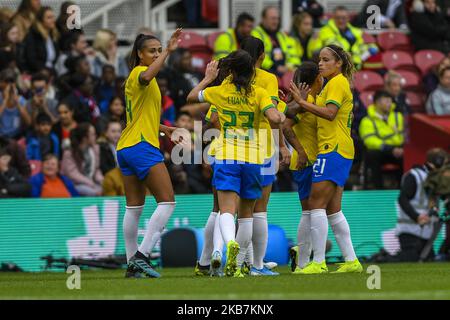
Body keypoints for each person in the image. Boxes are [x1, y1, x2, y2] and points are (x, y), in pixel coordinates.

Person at [187, 51, 284, 277]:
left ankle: (229, 242)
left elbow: (191, 97)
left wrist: (208, 79)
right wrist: (279, 114)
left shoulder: (219, 91)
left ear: (229, 71)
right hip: (253, 159)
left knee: (226, 210)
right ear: (251, 72)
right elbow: (274, 117)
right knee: (247, 214)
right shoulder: (260, 93)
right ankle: (239, 265)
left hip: (227, 155)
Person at [289, 44, 362, 274]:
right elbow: (295, 114)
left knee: (315, 205)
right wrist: (300, 102)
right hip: (338, 149)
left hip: (333, 148)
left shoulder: (338, 83)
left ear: (338, 63)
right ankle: (351, 261)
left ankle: (318, 262)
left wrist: (302, 103)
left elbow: (330, 114)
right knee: (333, 210)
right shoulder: (332, 85)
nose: (320, 63)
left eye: (326, 59)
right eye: (320, 59)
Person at [117, 30, 183, 279]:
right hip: (142, 146)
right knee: (167, 202)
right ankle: (141, 257)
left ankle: (131, 263)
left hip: (126, 147)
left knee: (134, 208)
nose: (156, 54)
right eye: (152, 51)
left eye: (158, 50)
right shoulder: (139, 74)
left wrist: (164, 128)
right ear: (139, 54)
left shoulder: (140, 78)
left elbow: (140, 117)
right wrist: (168, 50)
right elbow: (145, 76)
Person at [283, 62, 322, 271]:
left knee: (313, 211)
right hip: (306, 162)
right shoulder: (305, 102)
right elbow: (286, 125)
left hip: (314, 161)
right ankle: (304, 261)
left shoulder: (312, 100)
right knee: (310, 211)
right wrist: (301, 151)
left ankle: (303, 253)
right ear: (317, 78)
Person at [395, 148, 449, 261]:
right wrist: (417, 217)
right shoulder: (414, 176)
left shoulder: (437, 180)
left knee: (430, 262)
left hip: (426, 233)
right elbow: (402, 199)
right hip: (410, 231)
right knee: (410, 260)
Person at [359, 90, 405, 189]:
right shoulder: (367, 120)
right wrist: (389, 148)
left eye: (390, 101)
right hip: (382, 150)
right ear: (377, 103)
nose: (390, 104)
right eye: (387, 101)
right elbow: (369, 140)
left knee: (408, 155)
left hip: (399, 148)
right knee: (372, 154)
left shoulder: (398, 117)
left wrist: (402, 148)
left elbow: (406, 135)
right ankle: (378, 188)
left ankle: (404, 188)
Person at [251, 6, 301, 76]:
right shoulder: (256, 34)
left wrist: (292, 67)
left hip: (285, 73)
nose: (276, 21)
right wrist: (275, 67)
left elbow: (292, 55)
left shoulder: (281, 35)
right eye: (273, 18)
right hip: (265, 72)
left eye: (277, 19)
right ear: (263, 19)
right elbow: (257, 57)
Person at [60, 122, 103, 196]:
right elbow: (73, 174)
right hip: (74, 184)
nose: (95, 136)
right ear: (84, 138)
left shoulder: (95, 149)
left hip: (91, 183)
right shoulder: (69, 152)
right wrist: (90, 183)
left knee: (108, 189)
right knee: (94, 192)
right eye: (92, 134)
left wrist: (103, 181)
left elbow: (96, 170)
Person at [21, 6, 59, 73]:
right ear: (41, 20)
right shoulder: (33, 35)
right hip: (37, 72)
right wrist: (43, 70)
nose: (53, 20)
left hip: (51, 70)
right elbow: (31, 59)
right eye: (49, 18)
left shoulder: (53, 34)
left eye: (53, 17)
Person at [0, 68, 31, 139]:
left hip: (16, 138)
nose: (9, 85)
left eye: (12, 81)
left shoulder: (21, 100)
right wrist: (5, 100)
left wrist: (17, 101)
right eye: (6, 81)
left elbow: (28, 122)